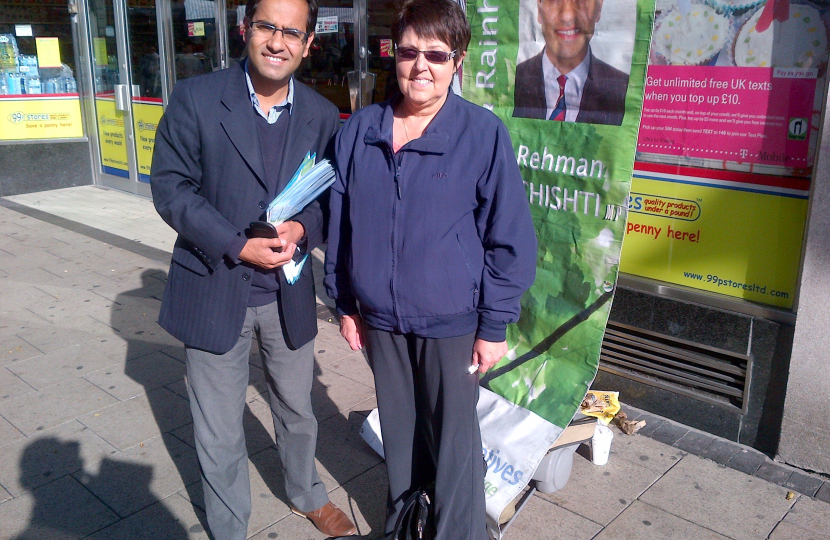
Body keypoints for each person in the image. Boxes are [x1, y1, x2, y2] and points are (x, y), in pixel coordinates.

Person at [324, 0, 537, 537]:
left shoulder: (480, 134)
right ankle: (407, 524)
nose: (421, 66)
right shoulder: (361, 130)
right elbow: (341, 223)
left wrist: (493, 326)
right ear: (392, 56)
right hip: (383, 322)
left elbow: (508, 239)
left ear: (457, 61)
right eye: (409, 52)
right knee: (400, 437)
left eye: (436, 55)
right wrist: (345, 302)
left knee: (453, 443)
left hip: (451, 323)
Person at [150, 0, 357, 538]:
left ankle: (306, 493)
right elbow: (171, 189)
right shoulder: (196, 98)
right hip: (213, 286)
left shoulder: (317, 113)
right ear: (247, 29)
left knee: (297, 410)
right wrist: (236, 246)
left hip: (286, 292)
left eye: (292, 32)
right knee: (218, 429)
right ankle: (229, 526)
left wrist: (302, 231)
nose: (277, 42)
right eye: (267, 26)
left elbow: (327, 196)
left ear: (309, 44)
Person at [513, 0, 629, 125]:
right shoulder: (509, 80)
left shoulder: (625, 90)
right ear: (539, 8)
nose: (567, 17)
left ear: (598, 8)